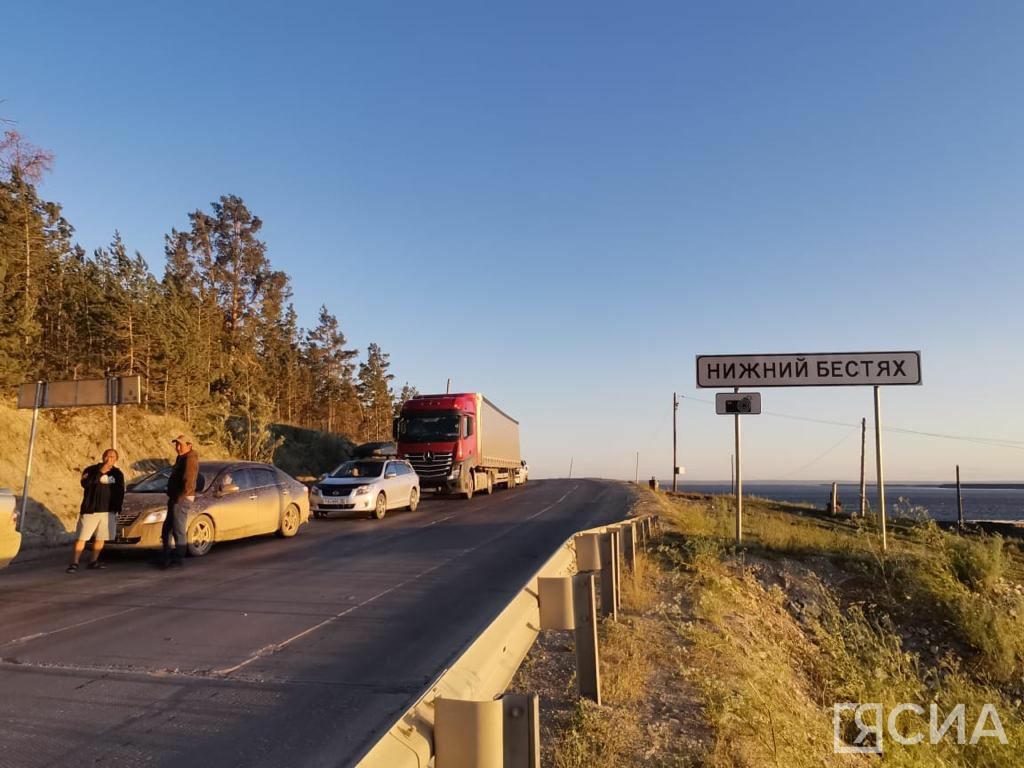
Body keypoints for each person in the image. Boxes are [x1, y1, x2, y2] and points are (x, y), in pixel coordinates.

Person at [67, 448, 124, 573]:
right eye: (107, 456)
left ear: (116, 459)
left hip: (108, 511)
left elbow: (120, 491)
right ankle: (74, 562)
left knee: (101, 538)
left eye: (112, 457)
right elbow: (85, 483)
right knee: (82, 537)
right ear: (103, 457)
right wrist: (101, 472)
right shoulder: (91, 470)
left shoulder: (118, 474)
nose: (109, 459)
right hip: (91, 510)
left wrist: (118, 508)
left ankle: (93, 561)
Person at [162, 433, 199, 568]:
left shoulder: (190, 459)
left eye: (180, 445)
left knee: (178, 528)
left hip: (182, 498)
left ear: (189, 445)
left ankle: (177, 558)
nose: (177, 447)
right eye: (176, 444)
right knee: (168, 528)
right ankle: (166, 556)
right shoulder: (181, 457)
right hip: (176, 497)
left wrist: (180, 497)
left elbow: (188, 480)